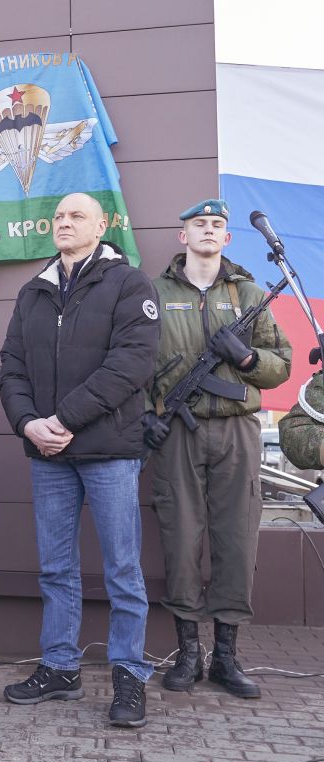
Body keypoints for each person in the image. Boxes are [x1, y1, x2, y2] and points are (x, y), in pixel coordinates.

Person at [0, 192, 160, 728]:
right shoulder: (34, 290)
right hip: (48, 455)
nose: (64, 224)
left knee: (122, 570)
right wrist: (27, 424)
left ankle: (130, 678)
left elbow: (131, 365)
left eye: (76, 217)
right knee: (57, 569)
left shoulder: (129, 283)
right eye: (59, 217)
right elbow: (12, 367)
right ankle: (61, 667)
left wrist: (63, 419)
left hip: (108, 451)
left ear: (103, 225)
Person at [143, 199, 290, 698]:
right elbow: (135, 359)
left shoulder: (249, 292)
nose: (208, 230)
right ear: (182, 236)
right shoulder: (155, 293)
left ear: (227, 239)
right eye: (198, 224)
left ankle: (226, 656)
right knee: (180, 538)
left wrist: (247, 358)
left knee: (236, 537)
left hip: (236, 431)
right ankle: (188, 653)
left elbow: (283, 365)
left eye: (217, 225)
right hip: (178, 431)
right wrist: (148, 413)